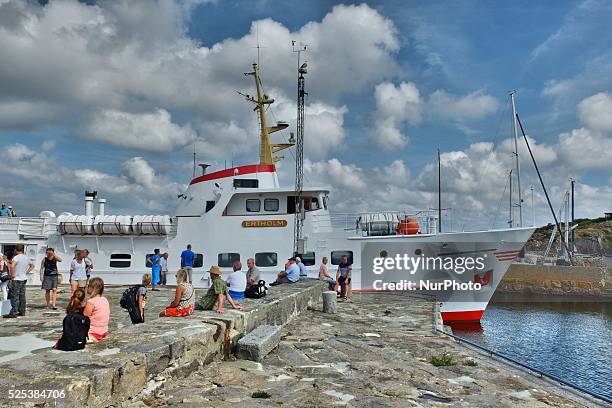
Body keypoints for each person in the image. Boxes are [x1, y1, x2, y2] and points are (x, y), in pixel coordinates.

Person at [4, 244, 33, 318]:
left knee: (15, 296)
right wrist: (26, 272)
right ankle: (22, 311)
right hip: (24, 278)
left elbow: (12, 266)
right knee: (22, 296)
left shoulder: (16, 258)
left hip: (16, 279)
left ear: (16, 250)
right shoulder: (26, 257)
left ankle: (13, 312)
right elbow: (32, 265)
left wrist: (12, 275)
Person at [83, 277, 110, 342]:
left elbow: (83, 320)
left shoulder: (91, 302)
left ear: (93, 288)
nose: (87, 287)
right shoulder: (104, 300)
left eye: (88, 285)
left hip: (93, 333)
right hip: (104, 332)